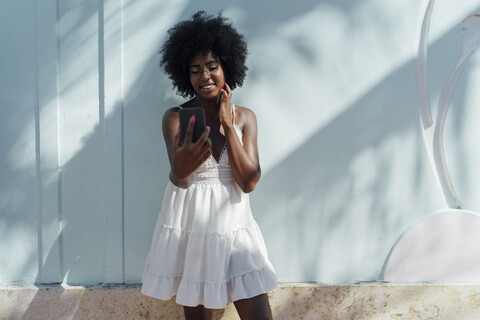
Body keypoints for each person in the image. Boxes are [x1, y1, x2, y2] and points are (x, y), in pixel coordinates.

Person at [141, 11, 277, 320]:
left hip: (237, 233)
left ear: (226, 67)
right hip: (197, 236)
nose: (205, 77)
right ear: (185, 75)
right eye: (196, 70)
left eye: (212, 67)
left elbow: (248, 182)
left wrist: (229, 127)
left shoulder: (245, 118)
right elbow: (181, 179)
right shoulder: (175, 118)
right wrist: (184, 162)